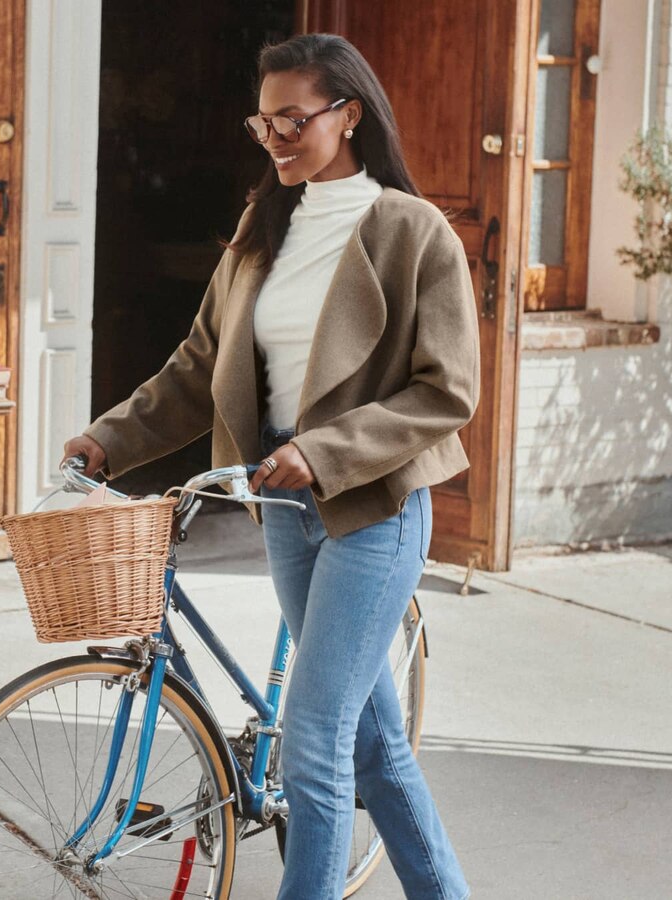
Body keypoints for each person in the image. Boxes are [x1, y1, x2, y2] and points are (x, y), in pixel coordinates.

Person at [62, 33, 475, 900]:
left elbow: (446, 393)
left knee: (313, 739)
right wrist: (111, 438)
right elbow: (196, 366)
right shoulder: (261, 231)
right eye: (266, 123)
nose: (278, 139)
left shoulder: (412, 231)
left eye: (296, 120)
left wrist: (320, 453)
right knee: (371, 744)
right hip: (282, 510)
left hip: (373, 510)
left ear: (349, 114)